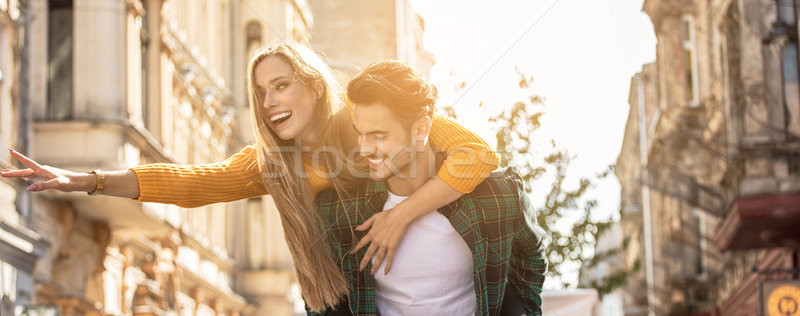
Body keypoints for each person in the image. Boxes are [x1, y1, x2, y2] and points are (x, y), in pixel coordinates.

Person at [0, 41, 499, 311]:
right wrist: (88, 179)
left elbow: (477, 153)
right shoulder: (272, 166)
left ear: (313, 87)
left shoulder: (362, 117)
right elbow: (191, 182)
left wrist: (401, 216)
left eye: (281, 85)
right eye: (261, 92)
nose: (270, 101)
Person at [310, 61, 546, 316]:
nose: (365, 148)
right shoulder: (338, 209)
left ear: (421, 129)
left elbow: (531, 259)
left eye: (378, 136)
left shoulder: (496, 197)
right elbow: (320, 295)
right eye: (360, 134)